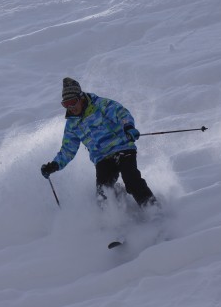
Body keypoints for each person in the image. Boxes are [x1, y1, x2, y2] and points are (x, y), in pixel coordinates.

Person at [41, 77, 157, 208]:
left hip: (122, 148)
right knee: (103, 194)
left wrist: (129, 127)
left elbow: (122, 113)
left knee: (131, 179)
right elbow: (68, 149)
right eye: (66, 104)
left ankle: (153, 210)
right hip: (102, 158)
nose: (71, 107)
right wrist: (55, 165)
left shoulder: (101, 105)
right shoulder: (72, 124)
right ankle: (115, 215)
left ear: (81, 98)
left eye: (73, 102)